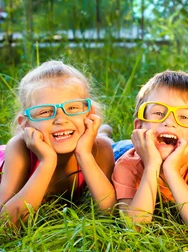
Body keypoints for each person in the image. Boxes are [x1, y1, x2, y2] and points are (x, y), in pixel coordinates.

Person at [0, 61, 115, 227]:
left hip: (95, 143)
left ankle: (104, 131)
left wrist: (84, 154)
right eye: (45, 112)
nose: (61, 120)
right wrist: (47, 162)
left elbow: (111, 212)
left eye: (73, 108)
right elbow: (5, 225)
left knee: (106, 141)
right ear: (26, 124)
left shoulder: (100, 149)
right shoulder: (19, 149)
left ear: (90, 114)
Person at [112, 70, 188, 230]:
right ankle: (105, 132)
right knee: (107, 143)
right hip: (119, 150)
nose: (169, 122)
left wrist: (171, 170)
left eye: (184, 117)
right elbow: (135, 226)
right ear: (139, 127)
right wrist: (152, 165)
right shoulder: (126, 165)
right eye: (158, 113)